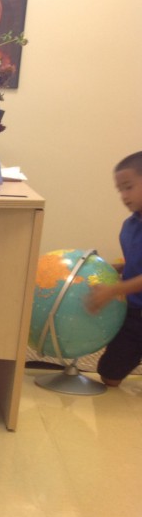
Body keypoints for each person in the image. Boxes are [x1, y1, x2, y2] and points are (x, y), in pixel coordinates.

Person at [87, 151, 142, 387]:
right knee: (109, 375)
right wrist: (115, 268)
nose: (124, 196)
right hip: (134, 311)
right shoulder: (130, 225)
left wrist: (113, 290)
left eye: (129, 187)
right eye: (120, 190)